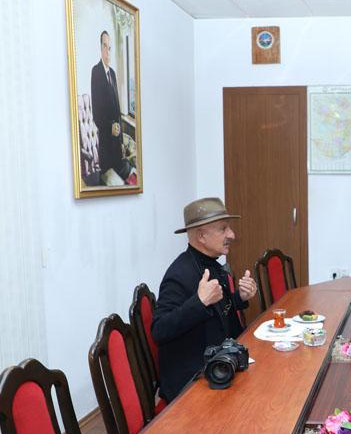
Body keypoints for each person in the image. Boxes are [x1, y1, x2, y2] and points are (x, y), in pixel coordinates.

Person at [152, 198, 257, 402]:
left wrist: (240, 297)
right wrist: (199, 302)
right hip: (193, 382)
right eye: (223, 229)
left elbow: (219, 311)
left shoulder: (213, 265)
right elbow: (159, 330)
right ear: (201, 236)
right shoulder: (179, 274)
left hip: (221, 367)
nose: (232, 235)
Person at [90, 30, 126, 182]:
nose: (108, 51)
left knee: (125, 177)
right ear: (100, 48)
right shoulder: (96, 72)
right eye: (105, 46)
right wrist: (109, 127)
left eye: (109, 48)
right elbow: (96, 113)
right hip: (106, 146)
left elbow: (117, 110)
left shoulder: (113, 73)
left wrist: (122, 141)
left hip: (117, 145)